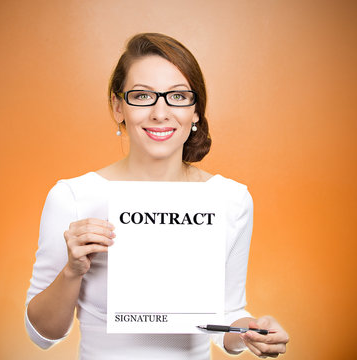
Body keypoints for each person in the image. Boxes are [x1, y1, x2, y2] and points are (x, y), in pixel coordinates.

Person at [25, 33, 289, 359]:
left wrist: (252, 332)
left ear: (195, 111)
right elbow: (42, 334)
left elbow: (224, 318)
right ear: (118, 106)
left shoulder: (231, 200)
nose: (160, 113)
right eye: (142, 96)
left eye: (178, 97)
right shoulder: (73, 197)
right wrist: (72, 271)